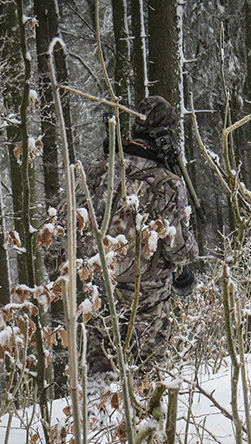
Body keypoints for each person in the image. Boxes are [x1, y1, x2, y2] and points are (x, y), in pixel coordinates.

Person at [85, 95, 198, 376]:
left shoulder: (98, 170)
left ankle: (98, 418)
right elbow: (179, 249)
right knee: (147, 372)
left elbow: (69, 225)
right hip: (147, 295)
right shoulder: (167, 182)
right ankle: (143, 415)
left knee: (100, 373)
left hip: (100, 287)